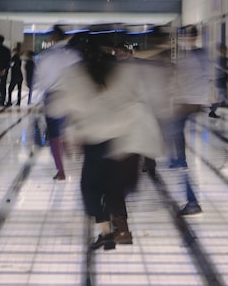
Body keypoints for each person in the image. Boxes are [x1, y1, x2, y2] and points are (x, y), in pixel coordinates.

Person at [50, 30, 163, 249]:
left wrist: (71, 129)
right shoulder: (122, 70)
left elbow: (59, 106)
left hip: (96, 139)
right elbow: (141, 98)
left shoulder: (75, 73)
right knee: (113, 186)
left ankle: (107, 231)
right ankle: (118, 231)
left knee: (90, 187)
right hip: (124, 137)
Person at [167, 24, 211, 216]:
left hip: (186, 106)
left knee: (180, 156)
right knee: (177, 146)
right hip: (191, 106)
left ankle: (192, 201)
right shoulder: (201, 56)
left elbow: (180, 82)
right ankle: (176, 160)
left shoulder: (190, 58)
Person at [35, 25, 81, 180]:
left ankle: (60, 170)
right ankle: (70, 146)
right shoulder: (73, 54)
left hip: (53, 96)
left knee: (54, 134)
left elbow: (41, 80)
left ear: (53, 38)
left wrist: (38, 98)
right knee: (69, 126)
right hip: (72, 95)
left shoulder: (46, 56)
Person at [208, 42, 228, 118]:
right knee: (221, 97)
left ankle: (212, 108)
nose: (226, 51)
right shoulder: (221, 59)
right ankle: (212, 110)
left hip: (219, 80)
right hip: (221, 81)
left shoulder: (219, 58)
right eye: (225, 49)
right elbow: (224, 69)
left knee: (221, 96)